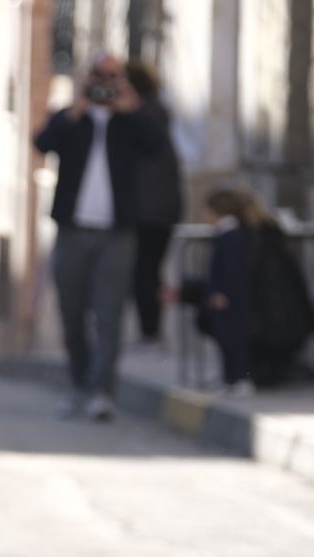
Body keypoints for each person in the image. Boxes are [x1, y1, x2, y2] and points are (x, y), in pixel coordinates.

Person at [34, 52, 168, 422]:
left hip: (117, 233)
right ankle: (79, 384)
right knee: (72, 313)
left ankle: (102, 391)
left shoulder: (132, 120)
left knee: (109, 314)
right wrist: (78, 107)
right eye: (99, 74)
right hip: (73, 230)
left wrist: (132, 107)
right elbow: (43, 143)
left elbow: (157, 146)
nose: (106, 82)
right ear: (86, 76)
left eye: (113, 75)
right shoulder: (72, 117)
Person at [202, 186, 314, 394]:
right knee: (231, 339)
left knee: (233, 340)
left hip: (243, 304)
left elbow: (230, 270)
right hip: (252, 305)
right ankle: (234, 378)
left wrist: (222, 292)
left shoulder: (235, 235)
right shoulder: (252, 233)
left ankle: (238, 378)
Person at [124, 60, 183, 349]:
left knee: (145, 272)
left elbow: (150, 143)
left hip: (152, 211)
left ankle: (151, 332)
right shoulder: (150, 112)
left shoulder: (149, 113)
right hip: (153, 208)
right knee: (144, 271)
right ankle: (149, 331)